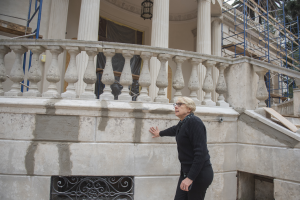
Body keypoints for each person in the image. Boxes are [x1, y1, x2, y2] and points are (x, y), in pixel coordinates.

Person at [149, 96, 213, 200]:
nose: (176, 107)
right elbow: (175, 129)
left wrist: (190, 178)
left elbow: (200, 153)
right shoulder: (183, 123)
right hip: (186, 173)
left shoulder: (194, 122)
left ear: (189, 109)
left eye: (180, 104)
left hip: (198, 174)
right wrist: (159, 133)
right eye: (175, 104)